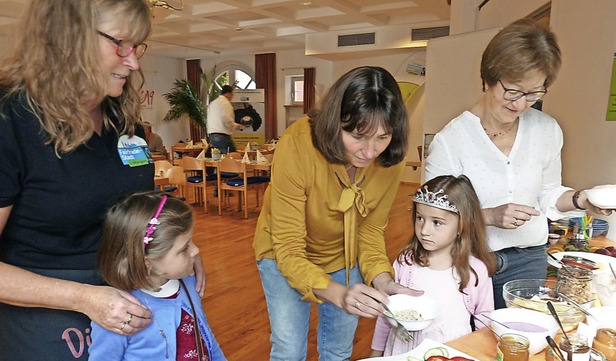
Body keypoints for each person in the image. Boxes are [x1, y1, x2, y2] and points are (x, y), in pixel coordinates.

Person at [0, 1, 204, 360]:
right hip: (49, 328)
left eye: (138, 47)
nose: (134, 62)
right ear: (67, 38)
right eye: (121, 45)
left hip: (134, 310)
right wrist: (84, 298)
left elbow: (141, 210)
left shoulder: (120, 120)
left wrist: (176, 248)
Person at [424, 18, 612, 308]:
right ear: (487, 78)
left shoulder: (546, 130)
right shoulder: (452, 140)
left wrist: (580, 199)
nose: (521, 103)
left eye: (533, 93)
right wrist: (488, 216)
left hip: (529, 259)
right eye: (512, 90)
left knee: (520, 342)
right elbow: (432, 216)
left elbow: (547, 194)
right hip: (470, 261)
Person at [253, 66, 421, 361]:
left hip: (344, 254)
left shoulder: (390, 159)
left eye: (382, 138)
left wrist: (382, 279)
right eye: (358, 136)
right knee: (289, 350)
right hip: (284, 252)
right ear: (335, 123)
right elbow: (289, 248)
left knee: (338, 350)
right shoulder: (297, 144)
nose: (369, 152)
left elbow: (370, 230)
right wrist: (337, 293)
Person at [89, 192, 226, 361]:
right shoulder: (118, 313)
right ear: (147, 262)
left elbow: (205, 337)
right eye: (184, 248)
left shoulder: (190, 283)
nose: (196, 251)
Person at [370, 175, 496, 356]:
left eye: (437, 222)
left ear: (462, 225)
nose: (424, 230)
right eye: (420, 218)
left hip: (452, 352)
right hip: (404, 350)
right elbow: (388, 312)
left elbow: (485, 321)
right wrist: (376, 353)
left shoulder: (475, 271)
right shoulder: (406, 263)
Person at [206, 85, 243, 154]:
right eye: (232, 94)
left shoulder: (213, 103)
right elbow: (226, 119)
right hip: (222, 135)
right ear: (229, 93)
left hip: (212, 135)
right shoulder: (225, 103)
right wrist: (236, 125)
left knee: (218, 158)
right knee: (232, 157)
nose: (232, 96)